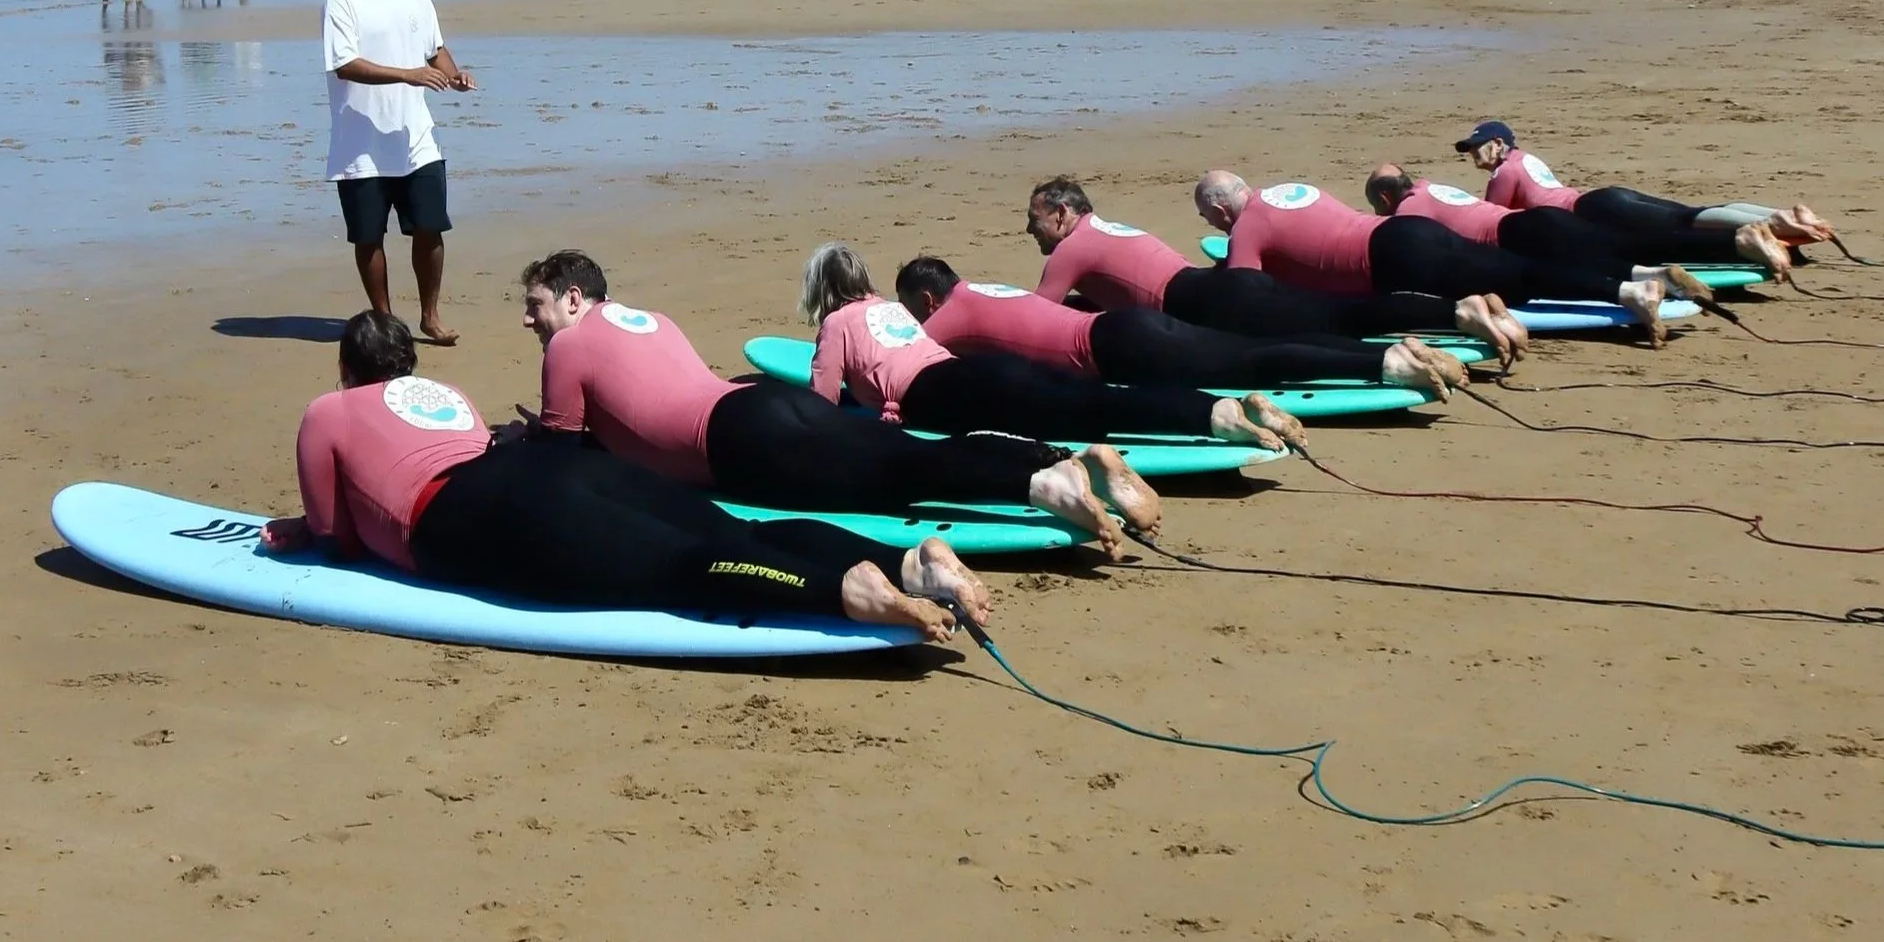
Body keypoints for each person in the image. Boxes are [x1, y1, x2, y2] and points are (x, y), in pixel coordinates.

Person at [267, 311, 988, 641]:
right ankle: (906, 560)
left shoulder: (328, 409)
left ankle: (843, 591)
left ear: (345, 368)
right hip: (549, 469)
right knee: (731, 527)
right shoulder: (446, 397)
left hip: (471, 514)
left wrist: (300, 532)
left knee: (672, 567)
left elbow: (339, 537)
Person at [515, 249, 1150, 556]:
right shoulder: (648, 319)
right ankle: (1060, 461)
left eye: (536, 305)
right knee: (901, 451)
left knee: (898, 475)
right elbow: (637, 413)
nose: (529, 321)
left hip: (740, 445)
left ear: (573, 298)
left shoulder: (568, 348)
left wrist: (521, 444)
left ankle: (1044, 483)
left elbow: (562, 454)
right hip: (761, 406)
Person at [799, 246, 1303, 452]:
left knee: (1075, 420)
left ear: (822, 292)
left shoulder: (838, 324)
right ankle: (1217, 409)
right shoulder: (895, 310)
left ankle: (1215, 419)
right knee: (1096, 397)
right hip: (983, 371)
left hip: (947, 394)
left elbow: (818, 408)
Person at [1023, 177, 1521, 363]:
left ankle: (1417, 342)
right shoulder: (1107, 228)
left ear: (1063, 214)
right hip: (1216, 285)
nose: (1032, 232)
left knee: (1311, 332)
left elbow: (1037, 321)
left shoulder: (1071, 250)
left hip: (1205, 302)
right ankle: (1457, 310)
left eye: (1036, 221)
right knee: (1336, 310)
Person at [896, 254, 1463, 401]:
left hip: (1118, 348)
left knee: (1249, 367)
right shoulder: (983, 288)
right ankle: (1390, 350)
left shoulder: (946, 317)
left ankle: (1384, 364)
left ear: (927, 298)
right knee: (1253, 349)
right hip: (1125, 323)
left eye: (918, 309)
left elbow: (910, 363)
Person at [1195, 171, 1676, 341]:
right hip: (1406, 230)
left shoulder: (1247, 227)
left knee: (1519, 282)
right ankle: (1626, 282)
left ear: (1221, 208)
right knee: (1517, 270)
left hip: (1390, 261)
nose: (1215, 226)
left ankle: (1631, 291)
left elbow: (1249, 296)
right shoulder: (1291, 189)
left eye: (1210, 218)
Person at [325, 0, 474, 345]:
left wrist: (454, 73)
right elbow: (344, 63)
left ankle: (430, 315)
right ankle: (386, 321)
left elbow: (434, 48)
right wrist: (408, 76)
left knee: (431, 227)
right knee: (369, 237)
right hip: (361, 142)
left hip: (416, 137)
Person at [1451, 120, 1827, 272]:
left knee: (1680, 225)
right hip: (1601, 197)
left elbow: (1497, 221)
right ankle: (1778, 215)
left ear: (1498, 144)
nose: (1472, 155)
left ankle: (1774, 224)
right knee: (1687, 213)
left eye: (1476, 147)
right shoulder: (1527, 159)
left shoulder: (1504, 170)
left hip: (1592, 211)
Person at [1362, 166, 1731, 302]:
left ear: (1384, 197)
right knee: (1621, 247)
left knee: (1559, 273)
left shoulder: (1407, 210)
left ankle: (1637, 288)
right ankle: (1726, 246)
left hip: (1516, 235)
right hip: (1540, 218)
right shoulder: (1432, 187)